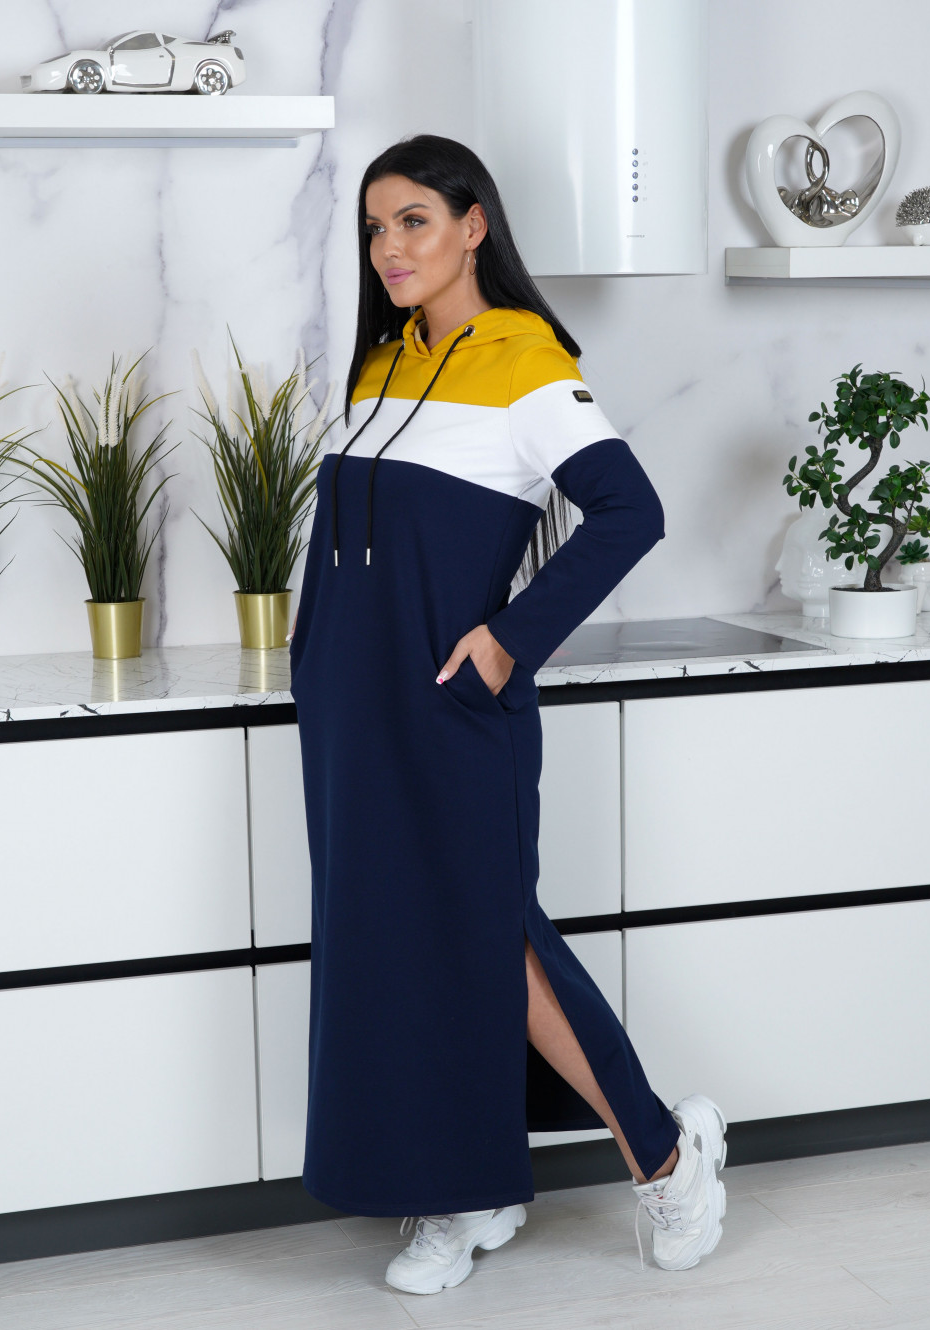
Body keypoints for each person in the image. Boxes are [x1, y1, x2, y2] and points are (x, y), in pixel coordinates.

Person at [287, 133, 727, 1296]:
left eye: (414, 221)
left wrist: (506, 640)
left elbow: (630, 511)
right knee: (394, 951)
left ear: (472, 225)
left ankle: (667, 1156)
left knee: (487, 941)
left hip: (450, 714)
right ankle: (462, 1187)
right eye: (374, 227)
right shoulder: (381, 366)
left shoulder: (526, 362)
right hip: (351, 716)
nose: (389, 247)